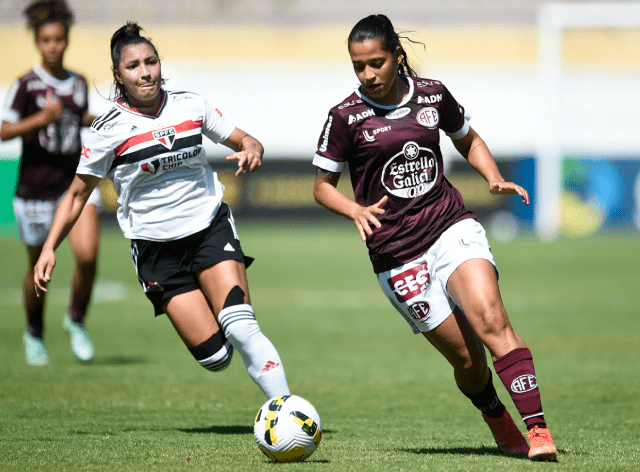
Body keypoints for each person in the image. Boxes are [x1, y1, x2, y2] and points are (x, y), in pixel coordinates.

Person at [312, 14, 557, 462]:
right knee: (468, 362)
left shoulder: (432, 95)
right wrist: (354, 209)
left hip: (449, 226)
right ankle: (495, 416)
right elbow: (321, 185)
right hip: (396, 254)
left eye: (376, 63)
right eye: (359, 67)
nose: (368, 75)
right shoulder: (345, 116)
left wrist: (493, 177)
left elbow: (468, 138)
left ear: (397, 57)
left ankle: (539, 431)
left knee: (491, 320)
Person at [33, 22, 290, 400]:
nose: (145, 72)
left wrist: (253, 149)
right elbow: (75, 195)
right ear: (118, 76)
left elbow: (246, 138)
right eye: (134, 66)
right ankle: (221, 324)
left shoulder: (190, 105)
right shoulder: (108, 130)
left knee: (240, 325)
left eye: (150, 62)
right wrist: (50, 246)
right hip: (156, 250)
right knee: (216, 357)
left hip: (208, 228)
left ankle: (287, 411)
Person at [1, 0, 100, 365]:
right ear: (37, 41)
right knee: (38, 269)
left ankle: (75, 320)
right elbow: (4, 130)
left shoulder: (77, 82)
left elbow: (74, 121)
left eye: (59, 39)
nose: (53, 46)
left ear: (67, 40)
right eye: (46, 39)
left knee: (87, 257)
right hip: (35, 191)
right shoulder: (26, 85)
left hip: (74, 185)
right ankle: (34, 331)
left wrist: (97, 120)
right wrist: (41, 118)